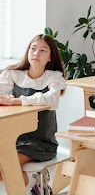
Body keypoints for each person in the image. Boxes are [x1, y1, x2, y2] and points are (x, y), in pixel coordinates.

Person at [0, 34, 65, 193]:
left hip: (40, 141)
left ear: (50, 57)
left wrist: (17, 101)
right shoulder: (13, 74)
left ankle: (31, 184)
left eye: (43, 50)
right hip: (12, 137)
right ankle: (34, 183)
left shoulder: (54, 78)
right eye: (33, 48)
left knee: (6, 167)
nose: (36, 53)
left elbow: (51, 100)